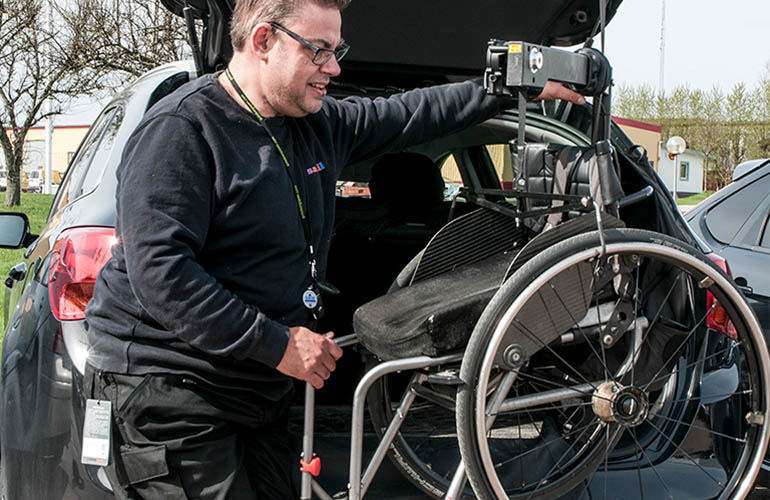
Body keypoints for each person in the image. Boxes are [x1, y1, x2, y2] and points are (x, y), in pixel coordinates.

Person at [83, 0, 586, 498]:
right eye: (319, 50)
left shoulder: (314, 123)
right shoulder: (181, 131)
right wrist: (278, 344)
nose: (335, 67)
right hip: (170, 392)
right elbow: (162, 276)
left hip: (258, 392)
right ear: (263, 41)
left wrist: (507, 87)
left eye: (337, 48)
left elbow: (411, 114)